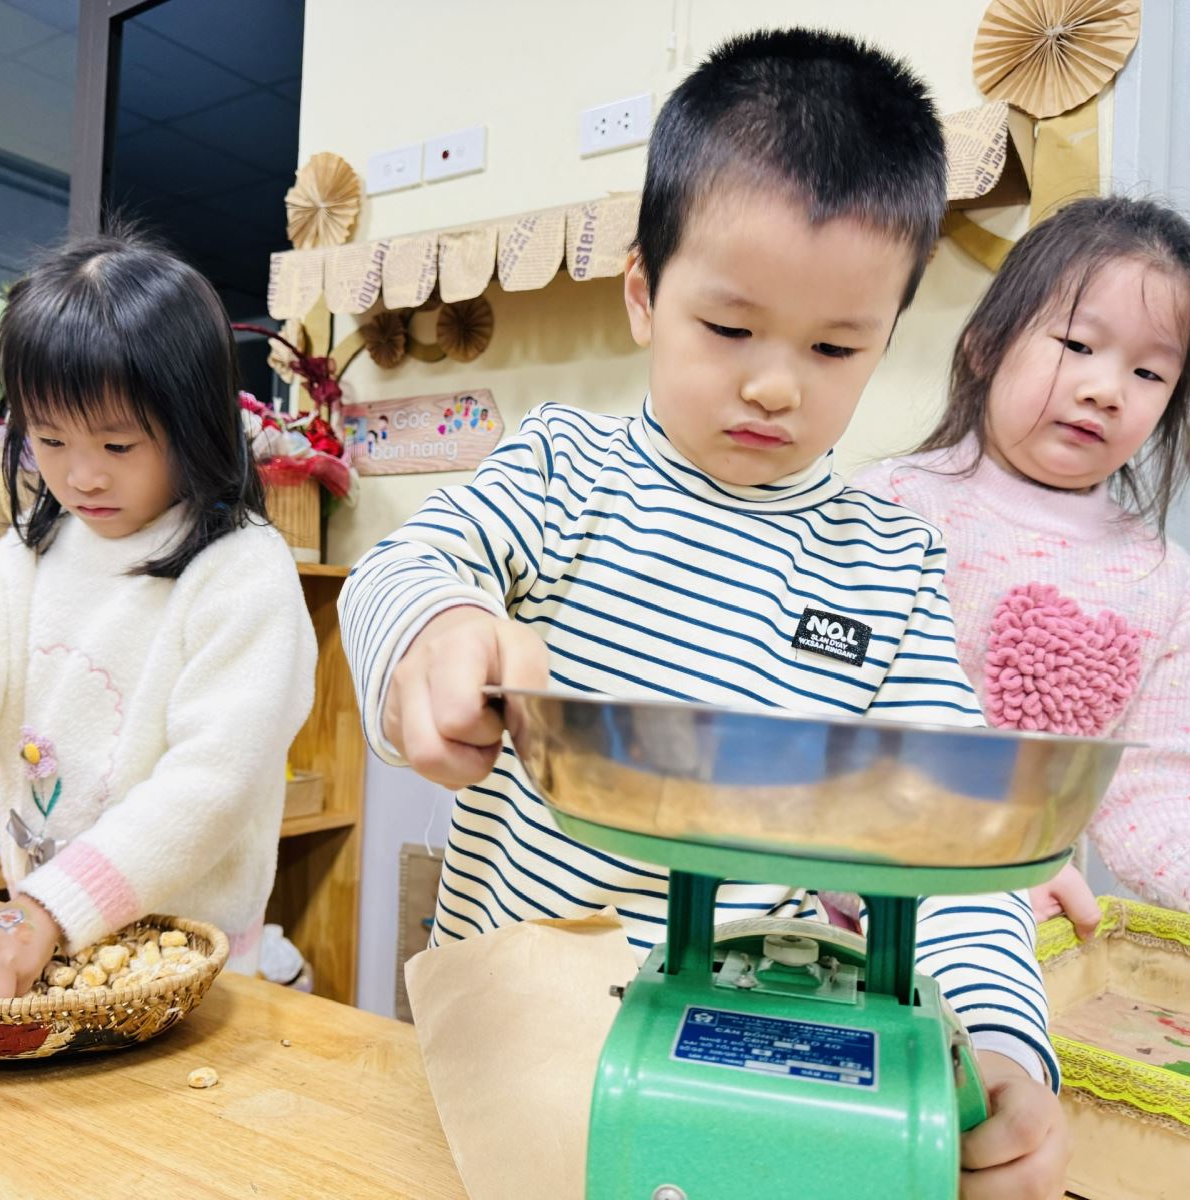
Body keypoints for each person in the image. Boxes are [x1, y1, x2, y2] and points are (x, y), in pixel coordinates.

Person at [341, 29, 1067, 1197]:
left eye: (835, 346)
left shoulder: (889, 564)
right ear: (644, 294)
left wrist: (997, 1049)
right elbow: (405, 565)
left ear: (886, 339)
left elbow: (947, 845)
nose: (774, 383)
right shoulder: (564, 472)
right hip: (510, 1028)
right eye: (728, 329)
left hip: (750, 1053)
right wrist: (433, 631)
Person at [0, 228, 315, 998]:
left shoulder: (243, 573)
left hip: (186, 965)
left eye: (118, 444)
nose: (81, 475)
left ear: (195, 425)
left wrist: (46, 908)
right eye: (50, 438)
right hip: (47, 948)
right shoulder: (36, 552)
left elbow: (213, 784)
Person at [853, 196, 1190, 970]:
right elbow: (826, 726)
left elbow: (1152, 781)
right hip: (852, 913)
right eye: (1077, 345)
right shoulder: (888, 510)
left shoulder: (1164, 584)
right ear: (985, 343)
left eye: (1149, 372)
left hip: (1028, 945)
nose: (1106, 389)